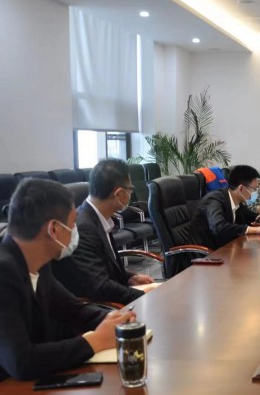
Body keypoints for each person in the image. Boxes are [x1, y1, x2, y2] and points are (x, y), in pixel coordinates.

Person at [0, 179, 135, 381]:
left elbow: (72, 309)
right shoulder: (4, 273)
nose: (75, 231)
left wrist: (113, 319)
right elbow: (21, 361)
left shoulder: (38, 262)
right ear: (54, 229)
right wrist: (96, 341)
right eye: (72, 224)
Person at [52, 159, 158, 305]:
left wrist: (129, 278)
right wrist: (143, 294)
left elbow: (104, 266)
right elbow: (99, 287)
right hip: (97, 308)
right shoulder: (84, 228)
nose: (131, 193)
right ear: (119, 194)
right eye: (130, 189)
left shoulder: (99, 218)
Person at [193, 165, 260, 250]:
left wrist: (259, 218)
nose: (256, 193)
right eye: (255, 189)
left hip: (224, 247)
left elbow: (247, 214)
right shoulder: (214, 200)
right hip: (205, 252)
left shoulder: (236, 201)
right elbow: (218, 227)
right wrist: (255, 230)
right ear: (241, 188)